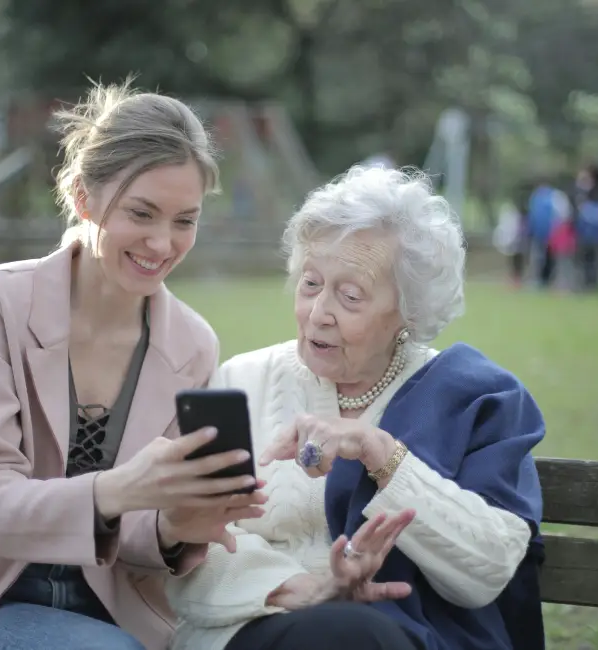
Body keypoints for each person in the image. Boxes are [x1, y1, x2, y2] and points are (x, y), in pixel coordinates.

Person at [0, 80, 267, 650]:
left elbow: (139, 532)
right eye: (142, 213)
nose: (162, 243)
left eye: (185, 220)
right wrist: (115, 489)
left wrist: (171, 526)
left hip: (126, 619)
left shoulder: (192, 343)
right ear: (82, 195)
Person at [166, 166, 546, 650]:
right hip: (251, 628)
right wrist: (302, 589)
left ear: (409, 311)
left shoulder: (476, 399)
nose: (318, 312)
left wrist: (383, 455)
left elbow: (489, 569)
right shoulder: (241, 381)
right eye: (310, 284)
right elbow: (189, 540)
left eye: (350, 296)